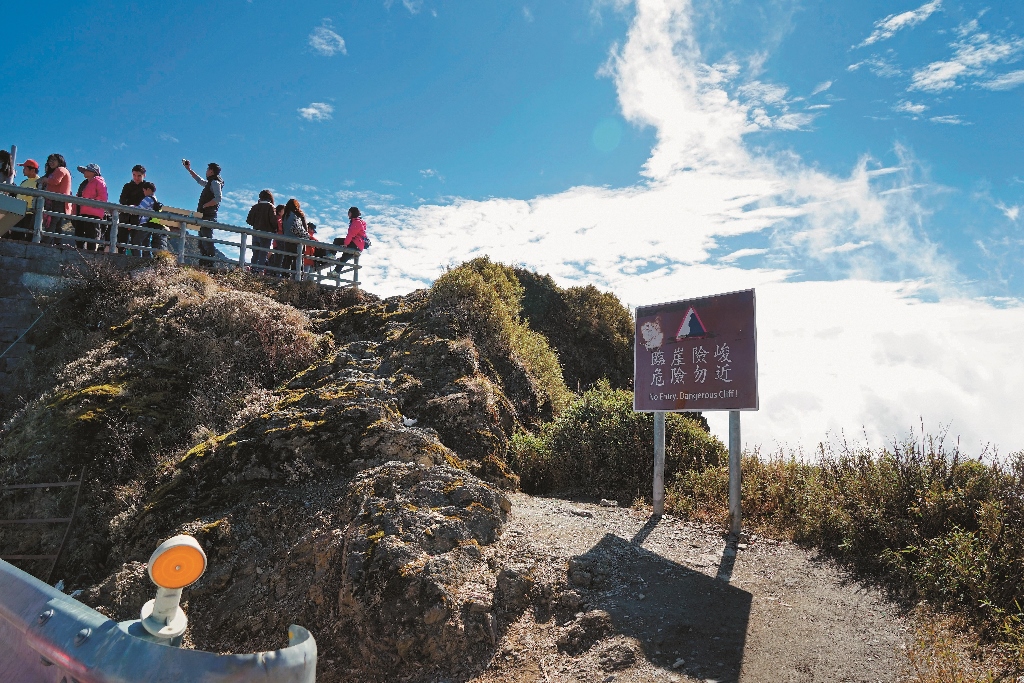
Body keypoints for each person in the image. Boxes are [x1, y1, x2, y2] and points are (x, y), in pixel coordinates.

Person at [182, 159, 223, 259]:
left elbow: (218, 198)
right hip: (203, 215)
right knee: (202, 241)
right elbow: (199, 180)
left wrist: (206, 205)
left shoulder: (214, 182)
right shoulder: (210, 182)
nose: (206, 171)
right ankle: (205, 261)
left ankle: (210, 262)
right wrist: (189, 169)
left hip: (208, 216)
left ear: (211, 171)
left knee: (206, 240)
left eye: (207, 169)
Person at [73, 163, 108, 251]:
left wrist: (88, 204)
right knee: (79, 234)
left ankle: (91, 254)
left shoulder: (99, 181)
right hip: (81, 212)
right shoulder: (84, 183)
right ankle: (80, 252)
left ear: (94, 172)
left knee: (91, 236)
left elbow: (102, 197)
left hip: (93, 214)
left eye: (87, 170)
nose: (84, 172)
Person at [39, 154, 72, 244]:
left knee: (52, 222)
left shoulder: (61, 169)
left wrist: (45, 180)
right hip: (59, 201)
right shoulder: (58, 170)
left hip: (58, 200)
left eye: (54, 160)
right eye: (50, 160)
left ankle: (45, 242)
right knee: (57, 224)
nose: (51, 162)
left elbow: (55, 181)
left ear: (60, 161)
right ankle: (58, 243)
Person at [9, 159, 42, 240]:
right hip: (19, 213)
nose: (23, 170)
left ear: (32, 170)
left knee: (26, 235)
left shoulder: (39, 182)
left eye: (25, 168)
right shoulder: (24, 181)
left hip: (29, 214)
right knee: (16, 235)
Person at [245, 190, 277, 272]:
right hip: (266, 234)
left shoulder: (255, 207)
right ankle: (260, 271)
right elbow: (273, 221)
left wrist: (256, 223)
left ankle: (253, 270)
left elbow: (249, 220)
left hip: (255, 232)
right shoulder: (271, 207)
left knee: (255, 253)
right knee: (263, 253)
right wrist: (275, 229)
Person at [133, 181, 166, 256]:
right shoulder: (155, 199)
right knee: (146, 243)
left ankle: (137, 259)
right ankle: (147, 260)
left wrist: (131, 207)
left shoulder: (147, 199)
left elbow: (139, 209)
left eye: (144, 190)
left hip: (146, 223)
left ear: (148, 189)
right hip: (151, 223)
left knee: (136, 241)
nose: (143, 192)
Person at [119, 164, 147, 251]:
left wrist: (137, 207)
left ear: (144, 175)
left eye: (139, 175)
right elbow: (122, 200)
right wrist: (129, 207)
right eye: (134, 175)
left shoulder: (147, 187)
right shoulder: (127, 186)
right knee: (121, 240)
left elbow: (148, 201)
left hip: (139, 218)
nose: (136, 178)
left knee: (137, 242)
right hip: (125, 216)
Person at [280, 199, 308, 274]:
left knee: (287, 260)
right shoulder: (298, 214)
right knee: (298, 261)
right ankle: (298, 278)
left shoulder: (285, 216)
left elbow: (283, 229)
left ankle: (284, 276)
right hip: (298, 241)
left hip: (287, 240)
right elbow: (305, 228)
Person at [268, 203, 286, 273]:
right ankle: (276, 275)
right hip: (279, 243)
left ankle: (275, 274)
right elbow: (281, 229)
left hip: (276, 243)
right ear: (279, 212)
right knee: (279, 261)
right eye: (284, 210)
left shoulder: (277, 219)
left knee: (278, 260)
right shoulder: (279, 220)